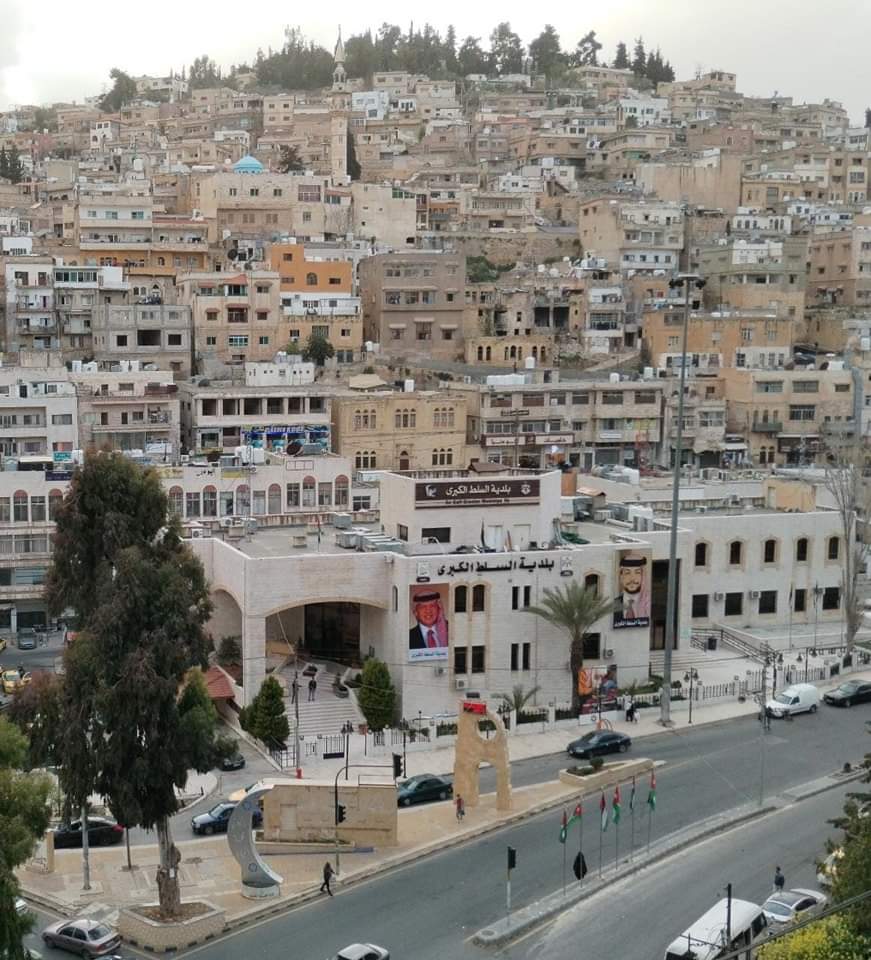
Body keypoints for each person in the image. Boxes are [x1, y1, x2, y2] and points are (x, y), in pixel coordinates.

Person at [613, 552, 651, 626]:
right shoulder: (613, 605)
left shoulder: (649, 603)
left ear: (643, 576)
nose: (632, 579)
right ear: (621, 577)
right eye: (627, 573)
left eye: (637, 573)